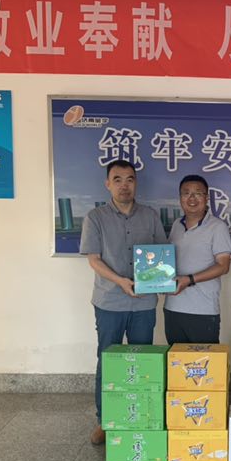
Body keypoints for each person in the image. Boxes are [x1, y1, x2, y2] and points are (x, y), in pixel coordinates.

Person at [79, 160, 167, 445]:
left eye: (130, 179)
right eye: (117, 179)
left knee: (142, 363)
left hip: (143, 303)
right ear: (108, 184)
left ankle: (139, 416)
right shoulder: (95, 217)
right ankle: (105, 420)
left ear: (136, 183)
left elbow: (161, 255)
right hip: (109, 301)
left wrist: (160, 280)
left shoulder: (150, 216)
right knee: (108, 361)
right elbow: (94, 259)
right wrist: (121, 282)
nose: (124, 185)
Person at [163, 175, 231, 344]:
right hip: (173, 308)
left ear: (206, 197)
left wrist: (190, 279)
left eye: (198, 193)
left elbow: (223, 266)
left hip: (203, 310)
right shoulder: (176, 225)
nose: (192, 198)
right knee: (176, 359)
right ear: (180, 198)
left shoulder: (218, 227)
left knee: (204, 360)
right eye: (186, 193)